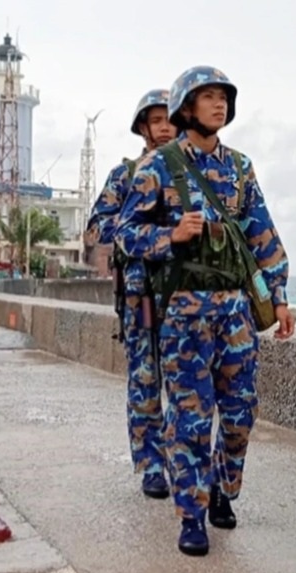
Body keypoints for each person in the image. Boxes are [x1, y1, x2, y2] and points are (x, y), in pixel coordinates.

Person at [115, 65, 295, 556]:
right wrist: (169, 235)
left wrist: (279, 297)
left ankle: (222, 487)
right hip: (184, 313)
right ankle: (191, 516)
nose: (219, 104)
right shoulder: (159, 167)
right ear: (186, 107)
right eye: (208, 96)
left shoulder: (239, 168)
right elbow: (125, 233)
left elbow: (263, 235)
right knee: (191, 418)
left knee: (240, 412)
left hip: (236, 311)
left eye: (223, 97)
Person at [83, 88, 177, 499]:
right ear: (143, 128)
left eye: (171, 119)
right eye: (157, 121)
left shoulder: (193, 173)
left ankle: (182, 461)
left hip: (186, 295)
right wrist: (141, 227)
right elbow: (95, 229)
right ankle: (151, 464)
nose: (165, 128)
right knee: (145, 380)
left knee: (188, 386)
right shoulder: (125, 175)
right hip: (141, 296)